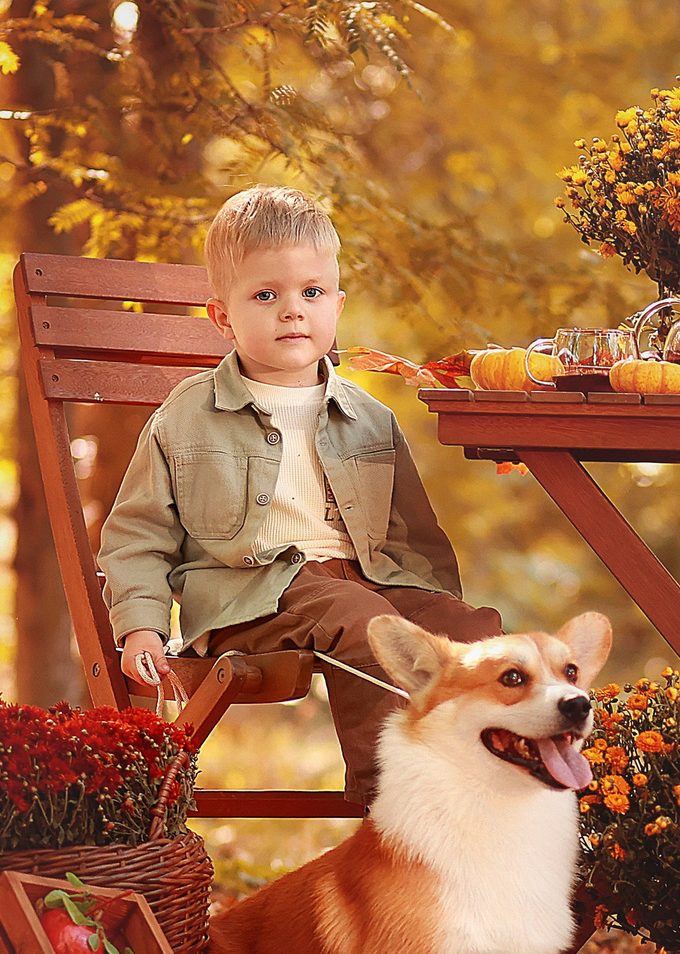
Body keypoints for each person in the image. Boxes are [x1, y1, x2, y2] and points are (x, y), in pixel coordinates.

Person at [101, 186, 502, 805]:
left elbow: (414, 541)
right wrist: (141, 627)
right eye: (267, 295)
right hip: (253, 599)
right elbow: (137, 534)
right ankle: (390, 811)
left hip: (364, 582)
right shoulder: (186, 417)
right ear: (222, 315)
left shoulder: (369, 419)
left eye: (311, 293)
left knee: (471, 631)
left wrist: (435, 608)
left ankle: (483, 792)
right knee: (369, 626)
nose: (293, 311)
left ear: (337, 306)